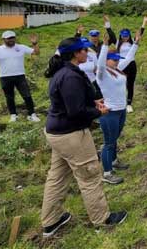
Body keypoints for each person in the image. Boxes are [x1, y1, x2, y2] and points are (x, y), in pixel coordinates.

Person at [40, 37, 127, 238]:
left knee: (57, 177)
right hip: (72, 135)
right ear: (75, 54)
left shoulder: (64, 72)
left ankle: (50, 221)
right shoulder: (70, 76)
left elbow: (72, 103)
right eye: (83, 50)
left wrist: (93, 102)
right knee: (89, 175)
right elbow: (76, 111)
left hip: (57, 133)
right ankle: (102, 219)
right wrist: (99, 112)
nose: (87, 53)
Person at [96, 30, 140, 185]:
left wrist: (136, 43)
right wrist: (105, 46)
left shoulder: (117, 69)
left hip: (121, 110)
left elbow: (129, 58)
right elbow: (100, 64)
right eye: (113, 59)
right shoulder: (102, 73)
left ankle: (114, 161)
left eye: (116, 59)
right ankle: (107, 173)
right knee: (108, 142)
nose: (116, 61)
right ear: (107, 59)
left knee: (114, 139)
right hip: (109, 112)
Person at [0, 30, 41, 122]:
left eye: (13, 37)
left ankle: (32, 114)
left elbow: (36, 53)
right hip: (5, 76)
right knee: (9, 97)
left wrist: (34, 43)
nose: (11, 40)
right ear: (3, 39)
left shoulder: (21, 47)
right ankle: (13, 115)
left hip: (20, 76)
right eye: (8, 38)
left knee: (27, 95)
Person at [116, 15, 147, 112]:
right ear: (120, 35)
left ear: (129, 35)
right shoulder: (117, 42)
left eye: (127, 36)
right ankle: (120, 101)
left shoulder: (133, 42)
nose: (125, 38)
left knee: (130, 84)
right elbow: (109, 33)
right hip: (120, 66)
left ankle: (129, 103)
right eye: (123, 36)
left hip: (131, 65)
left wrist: (144, 23)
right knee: (120, 84)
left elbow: (140, 33)